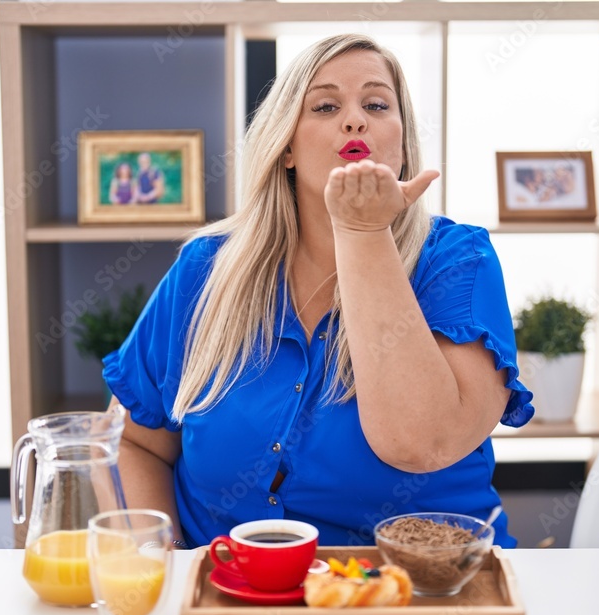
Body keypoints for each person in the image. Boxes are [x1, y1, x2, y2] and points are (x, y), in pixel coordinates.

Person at [103, 34, 534, 550]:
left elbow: (422, 444)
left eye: (376, 104)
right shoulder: (206, 270)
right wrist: (161, 568)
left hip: (422, 594)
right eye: (326, 106)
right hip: (228, 594)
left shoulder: (457, 261)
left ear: (401, 143)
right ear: (285, 147)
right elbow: (135, 442)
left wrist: (364, 232)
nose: (354, 120)